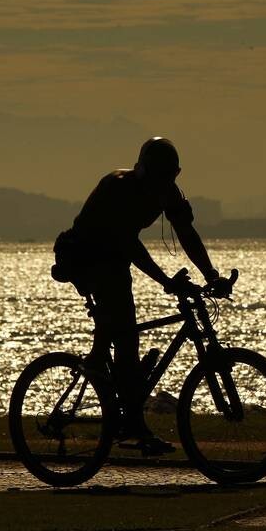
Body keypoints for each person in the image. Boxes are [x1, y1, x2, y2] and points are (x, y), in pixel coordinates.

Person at [51, 136, 230, 454]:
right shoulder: (118, 186)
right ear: (142, 171)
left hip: (114, 260)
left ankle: (123, 398)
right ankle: (129, 419)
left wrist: (211, 275)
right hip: (85, 256)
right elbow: (127, 243)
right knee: (125, 338)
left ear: (174, 175)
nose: (160, 185)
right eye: (156, 177)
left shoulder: (168, 192)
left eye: (167, 178)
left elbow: (186, 233)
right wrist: (165, 281)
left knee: (125, 338)